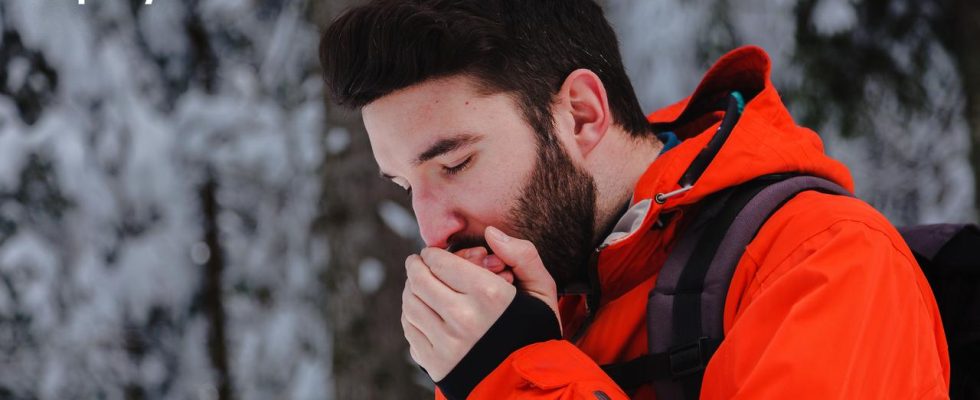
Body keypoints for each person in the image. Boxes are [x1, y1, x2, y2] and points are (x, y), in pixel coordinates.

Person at [318, 0, 951, 398]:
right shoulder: (537, 301)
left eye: (455, 162)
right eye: (405, 186)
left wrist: (515, 377)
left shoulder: (823, 261)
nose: (432, 229)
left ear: (583, 116)